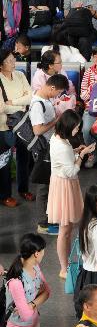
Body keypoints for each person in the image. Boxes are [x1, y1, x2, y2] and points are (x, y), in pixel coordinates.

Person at [47, 110, 90, 277]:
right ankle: (63, 268)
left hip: (63, 184)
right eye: (76, 127)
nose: (77, 130)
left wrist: (76, 151)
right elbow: (71, 171)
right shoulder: (61, 146)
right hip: (64, 186)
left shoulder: (59, 138)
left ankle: (65, 265)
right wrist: (82, 155)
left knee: (67, 228)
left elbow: (66, 161)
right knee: (64, 229)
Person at [30, 73, 68, 235]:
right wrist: (56, 121)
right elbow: (37, 130)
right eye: (58, 92)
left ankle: (49, 219)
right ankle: (43, 224)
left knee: (50, 186)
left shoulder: (45, 100)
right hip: (44, 149)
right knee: (43, 188)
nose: (57, 95)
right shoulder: (38, 104)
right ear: (52, 88)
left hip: (50, 148)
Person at [0, 47, 32, 207]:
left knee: (23, 158)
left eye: (14, 59)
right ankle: (5, 195)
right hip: (4, 126)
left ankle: (23, 189)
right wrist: (20, 106)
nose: (14, 62)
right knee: (4, 162)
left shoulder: (20, 75)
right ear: (1, 64)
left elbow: (30, 96)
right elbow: (1, 107)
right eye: (10, 60)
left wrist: (14, 103)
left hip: (22, 123)